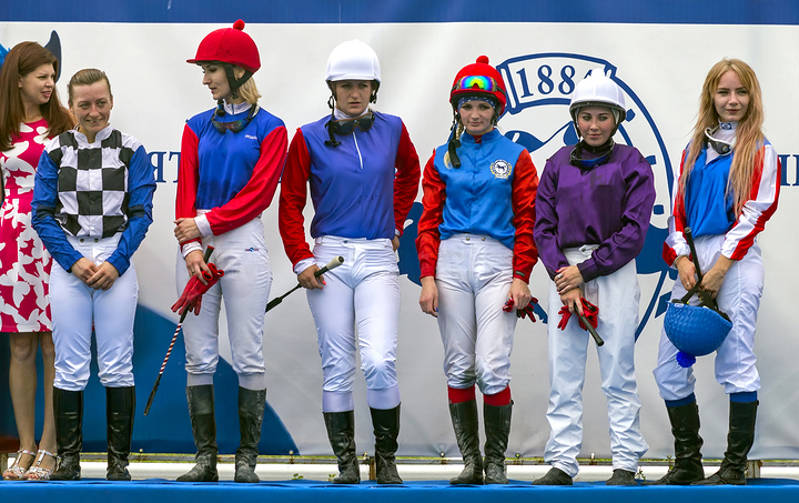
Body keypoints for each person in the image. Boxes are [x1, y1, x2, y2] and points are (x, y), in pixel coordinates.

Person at [279, 39, 420, 484]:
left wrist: (397, 223)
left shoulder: (394, 128)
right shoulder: (306, 136)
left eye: (362, 85)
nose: (354, 93)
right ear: (332, 88)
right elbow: (290, 203)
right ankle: (345, 465)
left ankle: (387, 458)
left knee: (379, 359)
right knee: (337, 363)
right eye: (345, 85)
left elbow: (410, 174)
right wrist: (300, 258)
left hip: (379, 253)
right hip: (329, 258)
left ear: (373, 88)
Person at [653, 59, 779, 486]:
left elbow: (756, 212)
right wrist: (684, 259)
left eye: (740, 92)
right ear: (711, 95)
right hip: (693, 260)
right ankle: (688, 461)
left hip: (737, 261)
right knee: (669, 366)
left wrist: (723, 264)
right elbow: (677, 215)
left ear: (752, 97)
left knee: (737, 360)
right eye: (724, 92)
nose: (732, 100)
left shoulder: (761, 150)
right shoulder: (691, 149)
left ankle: (733, 466)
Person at [416, 56, 538, 485]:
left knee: (491, 365)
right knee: (458, 365)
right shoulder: (439, 157)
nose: (475, 114)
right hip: (449, 263)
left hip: (496, 263)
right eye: (467, 105)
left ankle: (497, 462)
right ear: (457, 109)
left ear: (497, 109)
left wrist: (521, 275)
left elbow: (529, 220)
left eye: (484, 105)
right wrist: (427, 276)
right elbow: (427, 221)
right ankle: (472, 463)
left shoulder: (517, 156)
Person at [174, 20, 286, 483]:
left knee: (247, 354)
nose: (204, 79)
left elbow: (258, 196)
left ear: (238, 71)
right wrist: (192, 247)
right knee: (198, 356)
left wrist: (202, 224)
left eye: (210, 70)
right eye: (204, 71)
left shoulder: (272, 128)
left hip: (244, 244)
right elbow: (186, 191)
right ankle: (205, 459)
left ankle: (246, 460)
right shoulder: (195, 126)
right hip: (197, 247)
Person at [31, 68, 155, 480]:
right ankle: (69, 460)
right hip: (71, 260)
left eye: (101, 102)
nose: (94, 111)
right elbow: (42, 215)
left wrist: (117, 263)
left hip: (114, 256)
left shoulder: (132, 150)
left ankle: (118, 464)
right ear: (71, 106)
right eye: (84, 104)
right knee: (70, 365)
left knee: (118, 364)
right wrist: (73, 261)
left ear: (112, 100)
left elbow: (141, 214)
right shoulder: (54, 151)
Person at [532, 70, 654, 486]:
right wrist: (564, 277)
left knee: (618, 368)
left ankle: (626, 461)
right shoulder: (555, 164)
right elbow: (542, 227)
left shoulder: (632, 163)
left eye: (603, 117)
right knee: (562, 371)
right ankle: (562, 461)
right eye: (587, 117)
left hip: (612, 270)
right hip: (564, 271)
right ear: (575, 119)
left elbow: (634, 230)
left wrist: (584, 271)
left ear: (616, 120)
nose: (594, 125)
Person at [0, 41, 72, 481]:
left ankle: (51, 446)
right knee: (20, 344)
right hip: (10, 244)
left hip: (55, 240)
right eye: (42, 76)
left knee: (52, 344)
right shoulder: (1, 129)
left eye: (52, 76)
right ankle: (24, 446)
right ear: (19, 79)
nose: (49, 84)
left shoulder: (64, 127)